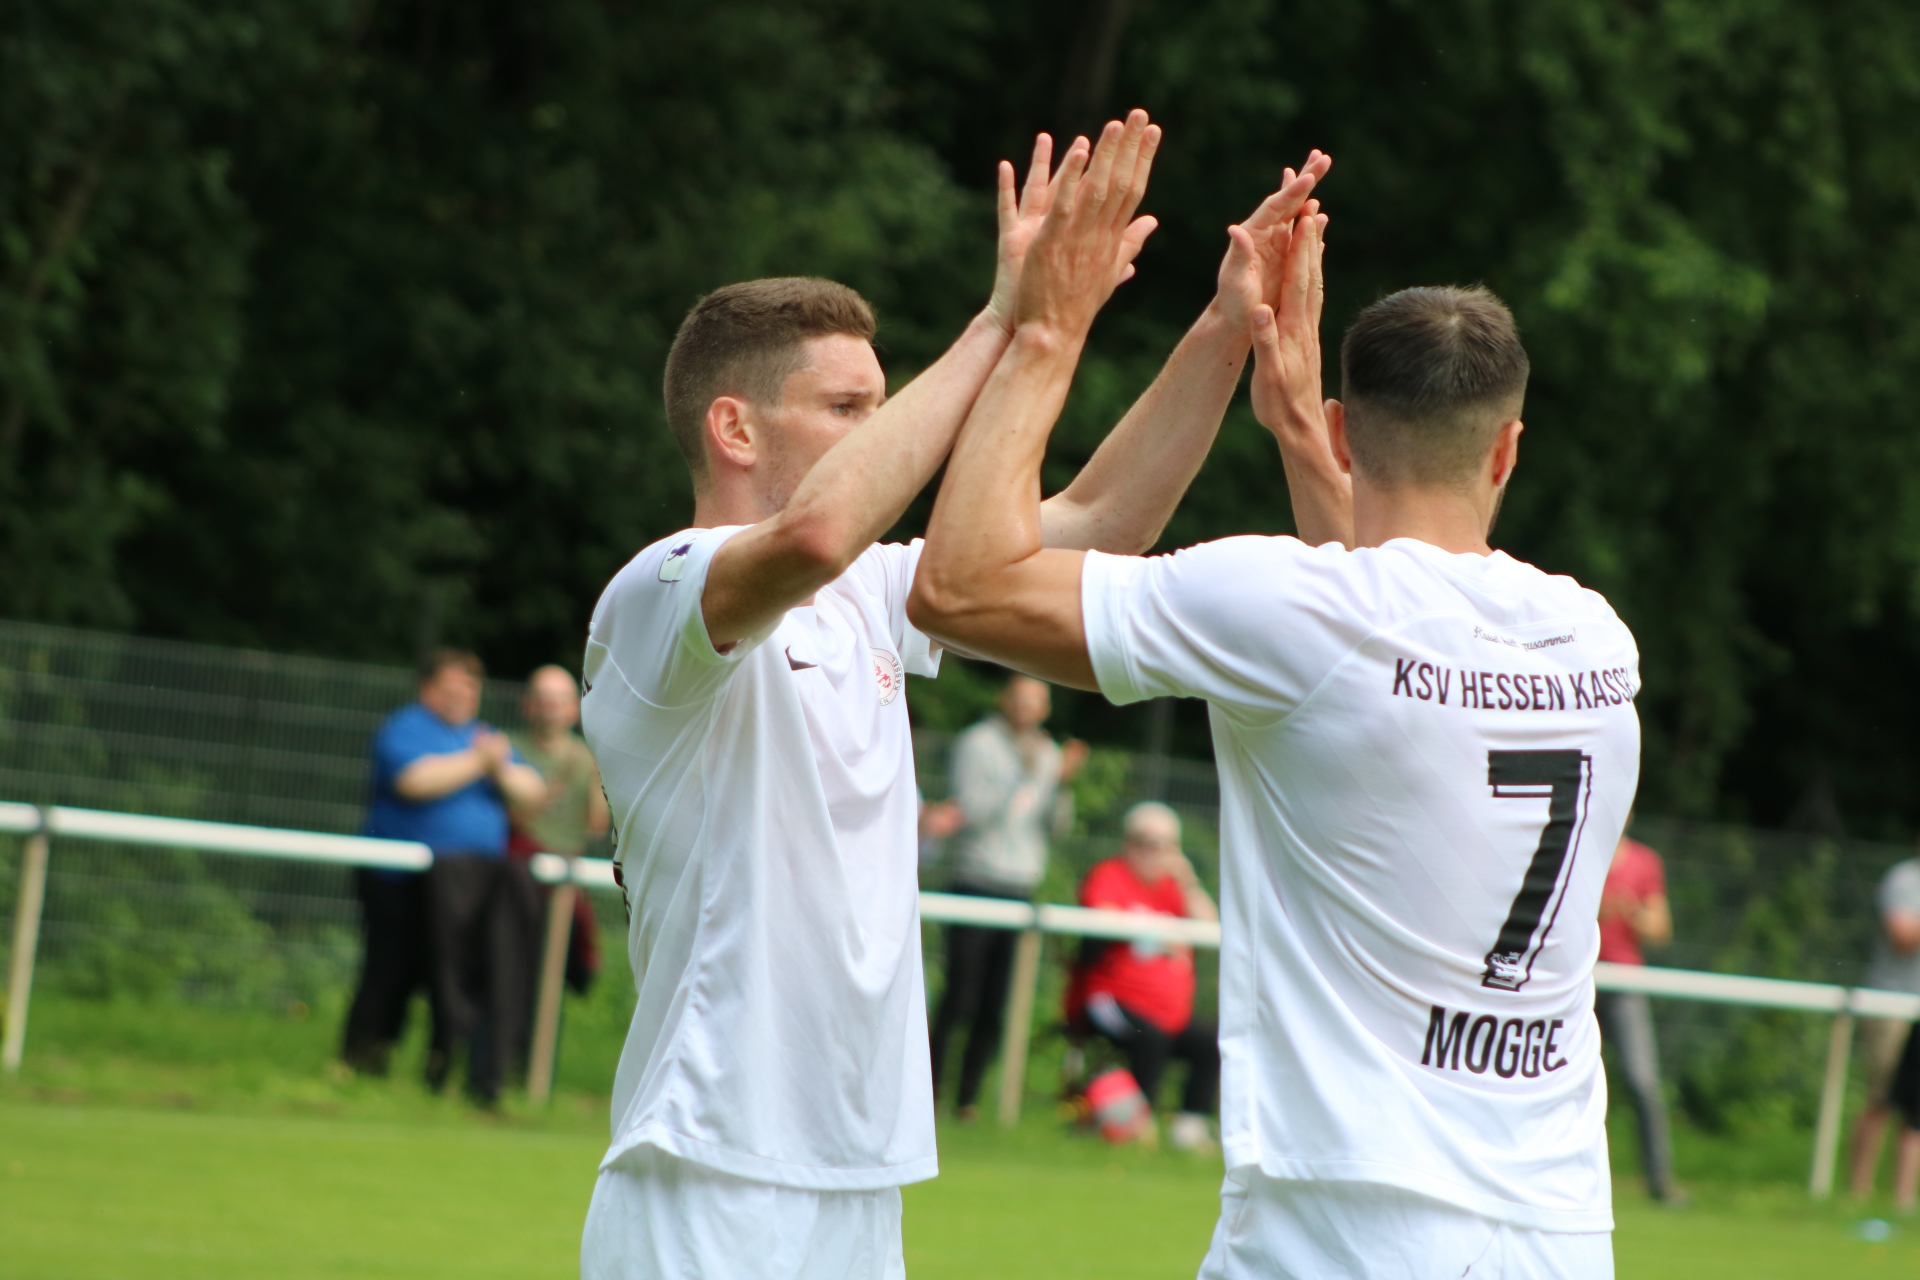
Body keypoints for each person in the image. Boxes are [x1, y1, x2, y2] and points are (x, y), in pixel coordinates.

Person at [577, 113, 1331, 1279]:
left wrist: (1229, 327)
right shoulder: (657, 591)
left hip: (857, 1177)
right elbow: (817, 531)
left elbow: (1101, 525)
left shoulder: (867, 595)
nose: (879, 430)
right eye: (846, 407)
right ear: (734, 427)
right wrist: (1007, 324)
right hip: (705, 1170)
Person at [909, 129, 1637, 1276]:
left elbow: (958, 587)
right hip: (1557, 1227)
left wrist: (1047, 327)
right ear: (1505, 450)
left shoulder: (1289, 609)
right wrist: (1299, 422)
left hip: (1342, 1221)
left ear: (1352, 429)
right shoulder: (1591, 635)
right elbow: (1387, 628)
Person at [359, 648, 546, 1104]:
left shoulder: (486, 739)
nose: (463, 696)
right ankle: (364, 1065)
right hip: (401, 884)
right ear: (428, 689)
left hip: (470, 889)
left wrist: (496, 765)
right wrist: (481, 764)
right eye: (452, 687)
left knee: (458, 982)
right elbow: (414, 781)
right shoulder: (406, 728)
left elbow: (532, 793)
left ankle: (442, 1072)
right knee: (390, 977)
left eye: (470, 688)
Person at [929, 673, 1087, 1119]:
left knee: (994, 1005)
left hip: (1020, 885)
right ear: (1005, 700)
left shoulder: (1048, 753)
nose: (1026, 709)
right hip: (977, 880)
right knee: (959, 997)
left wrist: (1060, 783)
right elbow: (973, 811)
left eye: (1036, 701)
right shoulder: (978, 743)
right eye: (1020, 699)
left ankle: (968, 1101)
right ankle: (930, 1092)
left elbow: (1056, 827)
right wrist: (1025, 773)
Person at [1068, 801, 1220, 1151]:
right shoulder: (1111, 875)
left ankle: (1190, 1127)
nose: (1155, 852)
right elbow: (1099, 914)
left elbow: (1209, 927)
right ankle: (1138, 1125)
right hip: (1112, 999)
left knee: (1209, 1042)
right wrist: (1154, 930)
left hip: (1169, 1011)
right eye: (1147, 842)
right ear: (1129, 842)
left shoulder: (1175, 888)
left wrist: (1188, 881)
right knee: (1150, 1038)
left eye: (1166, 844)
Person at [506, 665, 611, 1068]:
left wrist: (600, 777)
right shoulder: (506, 748)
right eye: (543, 699)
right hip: (516, 878)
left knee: (550, 978)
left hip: (564, 882)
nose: (551, 708)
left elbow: (596, 825)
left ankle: (533, 1066)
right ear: (528, 705)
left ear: (572, 708)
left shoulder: (587, 757)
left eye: (559, 700)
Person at [1595, 829, 1680, 1204]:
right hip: (1579, 980)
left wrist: (1632, 912)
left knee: (1642, 1081)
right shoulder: (1582, 848)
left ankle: (1660, 1181)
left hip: (1625, 983)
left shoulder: (1645, 862)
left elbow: (1660, 929)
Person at [1849, 852, 1920, 1198]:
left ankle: (1902, 1199)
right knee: (1880, 1097)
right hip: (1892, 1003)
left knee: (1916, 1108)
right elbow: (1902, 937)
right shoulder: (1905, 880)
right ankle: (1858, 1192)